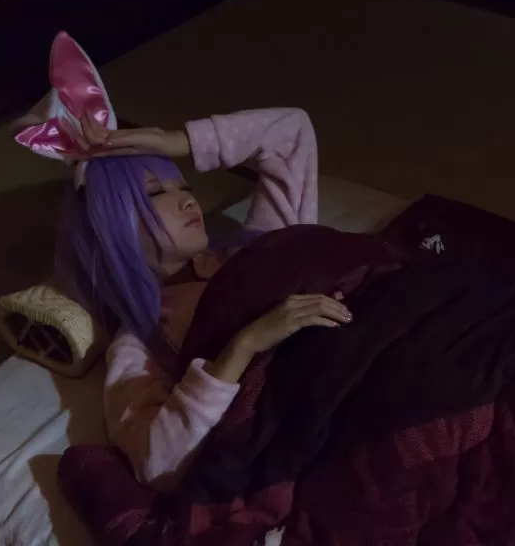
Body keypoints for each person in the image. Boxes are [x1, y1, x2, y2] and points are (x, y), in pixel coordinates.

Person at [57, 108, 355, 493]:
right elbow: (155, 461)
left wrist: (175, 141)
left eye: (185, 188)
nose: (187, 202)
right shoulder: (144, 338)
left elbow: (290, 132)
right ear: (112, 231)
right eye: (157, 193)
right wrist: (245, 345)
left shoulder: (254, 248)